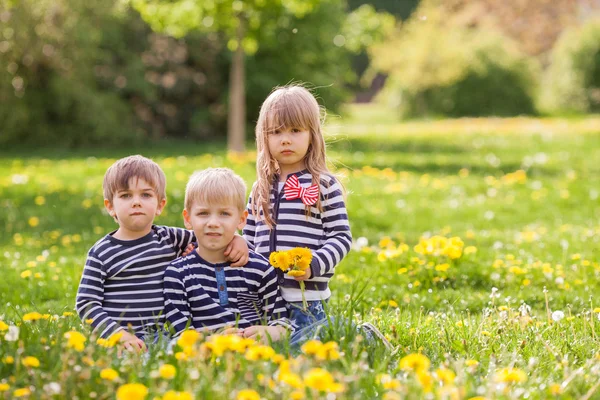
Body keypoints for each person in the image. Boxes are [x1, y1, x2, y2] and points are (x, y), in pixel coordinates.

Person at [75, 155, 249, 353]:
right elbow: (87, 302)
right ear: (110, 206)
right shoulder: (102, 252)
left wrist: (237, 238)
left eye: (146, 195)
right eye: (125, 195)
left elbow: (209, 235)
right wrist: (117, 335)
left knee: (184, 354)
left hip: (159, 336)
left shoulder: (169, 237)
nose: (136, 202)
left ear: (160, 204)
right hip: (117, 338)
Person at [243, 85, 353, 331]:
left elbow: (341, 237)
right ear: (264, 137)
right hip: (264, 299)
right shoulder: (260, 187)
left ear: (312, 134)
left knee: (301, 344)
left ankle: (357, 333)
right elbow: (248, 239)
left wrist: (315, 264)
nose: (285, 139)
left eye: (295, 130)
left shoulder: (324, 184)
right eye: (276, 132)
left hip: (305, 297)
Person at [164, 168, 293, 343]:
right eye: (203, 213)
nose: (213, 223)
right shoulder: (177, 274)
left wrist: (274, 332)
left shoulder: (260, 270)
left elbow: (283, 323)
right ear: (188, 219)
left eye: (224, 214)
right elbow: (179, 336)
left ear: (241, 219)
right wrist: (214, 342)